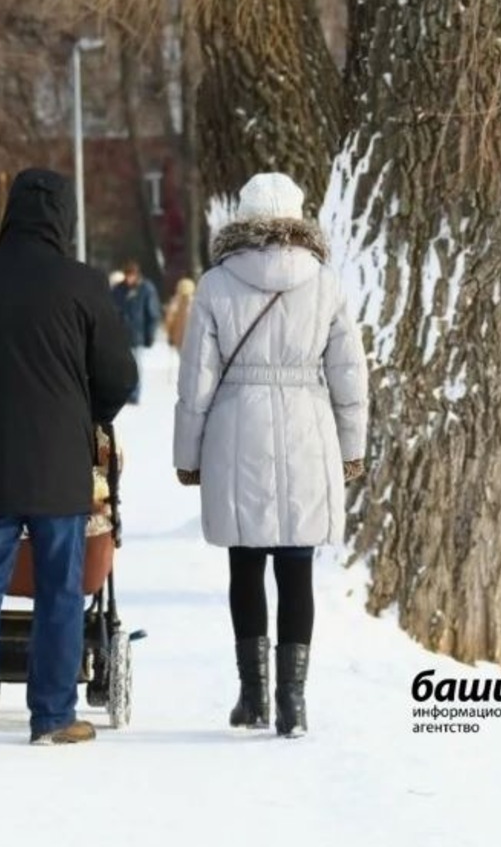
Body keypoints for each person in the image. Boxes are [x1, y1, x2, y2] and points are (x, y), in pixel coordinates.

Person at [0, 167, 138, 756]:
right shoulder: (83, 285)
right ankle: (53, 715)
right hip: (59, 465)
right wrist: (84, 409)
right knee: (61, 587)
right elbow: (119, 378)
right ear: (65, 219)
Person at [171, 172, 369, 739]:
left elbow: (196, 381)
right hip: (308, 427)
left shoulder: (215, 285)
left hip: (237, 430)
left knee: (246, 564)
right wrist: (351, 448)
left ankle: (253, 696)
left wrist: (188, 455)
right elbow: (349, 376)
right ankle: (294, 703)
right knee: (296, 567)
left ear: (243, 217)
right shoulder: (325, 284)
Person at [111, 259, 162, 404]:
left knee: (135, 366)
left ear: (137, 274)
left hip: (137, 334)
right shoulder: (118, 289)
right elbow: (111, 310)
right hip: (121, 335)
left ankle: (134, 394)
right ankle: (124, 393)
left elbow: (153, 313)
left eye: (131, 275)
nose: (129, 279)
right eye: (127, 275)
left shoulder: (146, 288)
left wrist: (150, 335)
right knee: (122, 367)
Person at [164, 277, 197, 352]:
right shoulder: (197, 303)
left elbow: (169, 321)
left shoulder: (175, 303)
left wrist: (169, 336)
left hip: (178, 339)